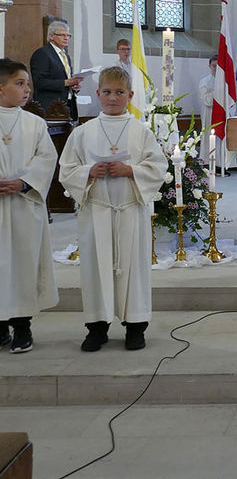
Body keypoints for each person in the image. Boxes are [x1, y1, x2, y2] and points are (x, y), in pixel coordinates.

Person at [58, 67, 168, 352]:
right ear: (98, 94)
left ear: (130, 96)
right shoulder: (83, 133)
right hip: (97, 210)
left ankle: (136, 327)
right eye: (106, 92)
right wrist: (89, 171)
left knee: (134, 269)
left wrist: (130, 169)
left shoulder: (141, 132)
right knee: (96, 269)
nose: (112, 97)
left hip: (130, 210)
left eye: (119, 92)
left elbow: (158, 167)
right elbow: (66, 169)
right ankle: (97, 327)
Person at [0, 59, 58, 354]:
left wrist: (24, 182)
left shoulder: (35, 123)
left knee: (22, 266)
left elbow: (46, 158)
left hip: (23, 205)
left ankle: (22, 328)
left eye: (28, 84)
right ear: (0, 88)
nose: (27, 89)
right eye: (19, 83)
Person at [30, 20, 84, 119]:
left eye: (68, 35)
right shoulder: (42, 53)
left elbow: (66, 78)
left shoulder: (65, 55)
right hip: (49, 106)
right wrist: (66, 83)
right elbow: (40, 82)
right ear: (51, 36)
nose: (66, 38)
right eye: (62, 35)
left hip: (67, 104)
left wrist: (74, 87)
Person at [198, 55, 217, 162]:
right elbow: (206, 100)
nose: (216, 68)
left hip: (221, 114)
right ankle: (207, 160)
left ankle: (221, 163)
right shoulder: (205, 81)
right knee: (208, 135)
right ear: (209, 66)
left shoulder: (225, 81)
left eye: (218, 66)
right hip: (209, 113)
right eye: (214, 66)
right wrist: (217, 91)